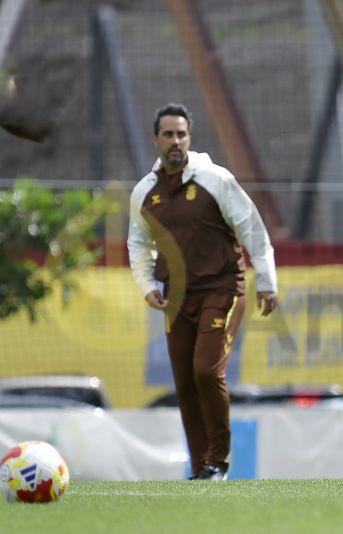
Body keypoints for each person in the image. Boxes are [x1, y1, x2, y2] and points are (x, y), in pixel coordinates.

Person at [128, 103, 278, 481]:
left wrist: (267, 281)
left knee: (205, 371)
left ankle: (218, 462)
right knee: (183, 380)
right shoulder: (145, 192)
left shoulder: (216, 179)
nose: (175, 141)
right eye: (168, 134)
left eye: (181, 134)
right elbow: (137, 243)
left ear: (189, 138)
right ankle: (200, 468)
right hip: (175, 298)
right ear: (156, 139)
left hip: (223, 288)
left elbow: (253, 231)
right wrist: (147, 286)